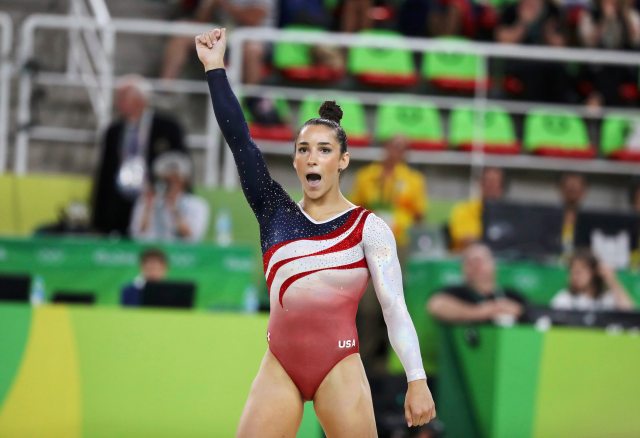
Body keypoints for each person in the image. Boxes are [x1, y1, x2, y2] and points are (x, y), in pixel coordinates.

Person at [196, 28, 435, 436]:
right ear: (294, 160)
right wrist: (215, 67)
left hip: (339, 365)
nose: (313, 158)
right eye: (304, 149)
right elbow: (240, 141)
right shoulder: (273, 210)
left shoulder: (368, 228)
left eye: (325, 150)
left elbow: (395, 307)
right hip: (280, 365)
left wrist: (417, 378)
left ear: (343, 160)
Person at [350, 134, 428, 373]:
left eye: (401, 148)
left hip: (396, 245)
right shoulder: (366, 176)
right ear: (384, 149)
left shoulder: (413, 180)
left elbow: (420, 214)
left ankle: (381, 365)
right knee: (366, 305)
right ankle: (361, 360)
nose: (396, 152)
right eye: (393, 146)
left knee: (391, 303)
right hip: (368, 242)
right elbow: (355, 208)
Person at [91, 75, 187, 237]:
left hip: (154, 199)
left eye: (122, 98)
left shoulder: (168, 128)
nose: (118, 103)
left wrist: (168, 194)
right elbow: (104, 172)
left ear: (140, 100)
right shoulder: (113, 131)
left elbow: (180, 166)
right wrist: (98, 214)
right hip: (120, 199)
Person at [427, 243, 525, 323]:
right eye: (471, 262)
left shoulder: (510, 295)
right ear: (463, 268)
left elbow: (533, 311)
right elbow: (436, 305)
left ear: (494, 265)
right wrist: (485, 311)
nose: (477, 267)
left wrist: (517, 310)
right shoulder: (456, 292)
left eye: (481, 261)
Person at [129, 152, 210, 242]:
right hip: (151, 251)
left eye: (174, 180)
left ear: (184, 181)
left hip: (181, 254)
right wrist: (148, 207)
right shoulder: (145, 201)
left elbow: (192, 237)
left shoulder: (197, 204)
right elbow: (137, 235)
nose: (169, 185)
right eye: (166, 180)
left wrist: (174, 208)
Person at [551, 249, 635, 311]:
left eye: (580, 271)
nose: (575, 276)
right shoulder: (564, 298)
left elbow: (629, 313)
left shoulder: (606, 298)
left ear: (594, 272)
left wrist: (611, 280)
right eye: (572, 271)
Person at [448, 167, 504, 252]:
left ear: (501, 188)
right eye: (487, 182)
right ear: (480, 184)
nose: (491, 186)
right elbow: (464, 239)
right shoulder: (463, 209)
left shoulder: (507, 213)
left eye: (495, 183)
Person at [558, 172, 587, 252]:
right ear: (561, 190)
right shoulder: (550, 218)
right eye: (569, 190)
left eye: (575, 190)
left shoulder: (590, 221)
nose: (572, 194)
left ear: (584, 191)